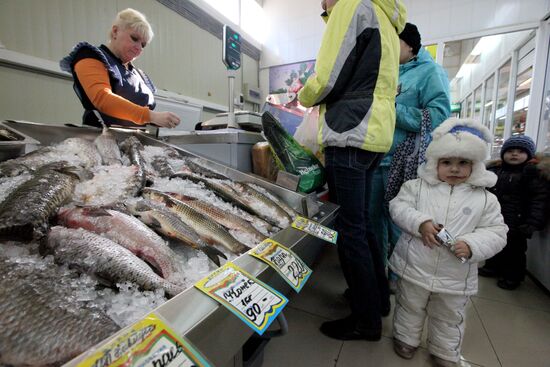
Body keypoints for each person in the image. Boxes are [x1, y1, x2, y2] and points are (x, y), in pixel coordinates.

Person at [298, 0, 407, 340]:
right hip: (374, 134)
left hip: (349, 130)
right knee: (364, 224)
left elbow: (328, 75)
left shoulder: (351, 5)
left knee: (350, 230)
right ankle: (376, 300)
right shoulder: (385, 14)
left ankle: (365, 320)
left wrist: (303, 95)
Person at [388, 118, 507, 366]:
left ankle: (444, 351)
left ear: (476, 165)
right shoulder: (416, 187)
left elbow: (497, 231)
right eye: (447, 162)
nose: (454, 169)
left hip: (456, 275)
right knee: (409, 305)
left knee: (449, 316)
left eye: (463, 162)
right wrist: (420, 222)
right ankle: (405, 338)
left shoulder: (486, 200)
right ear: (435, 162)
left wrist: (473, 245)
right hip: (415, 265)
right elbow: (398, 207)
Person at [369, 22, 451, 285]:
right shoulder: (385, 73)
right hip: (375, 159)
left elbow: (436, 117)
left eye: (393, 43)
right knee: (372, 224)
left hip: (405, 163)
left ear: (409, 45)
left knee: (400, 224)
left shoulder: (430, 72)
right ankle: (376, 279)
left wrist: (392, 109)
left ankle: (398, 278)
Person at [60, 8, 180, 129]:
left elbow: (143, 115)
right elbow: (102, 98)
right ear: (115, 31)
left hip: (134, 141)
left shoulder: (139, 75)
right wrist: (151, 116)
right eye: (134, 38)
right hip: (101, 139)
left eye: (143, 45)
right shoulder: (91, 56)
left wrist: (158, 120)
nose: (139, 48)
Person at [480, 135, 549, 290]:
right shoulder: (495, 171)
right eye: (510, 150)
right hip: (494, 218)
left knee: (514, 252)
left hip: (518, 222)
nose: (515, 154)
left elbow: (539, 200)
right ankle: (492, 267)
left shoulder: (532, 174)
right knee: (493, 244)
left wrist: (533, 223)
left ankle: (512, 277)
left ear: (529, 155)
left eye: (520, 151)